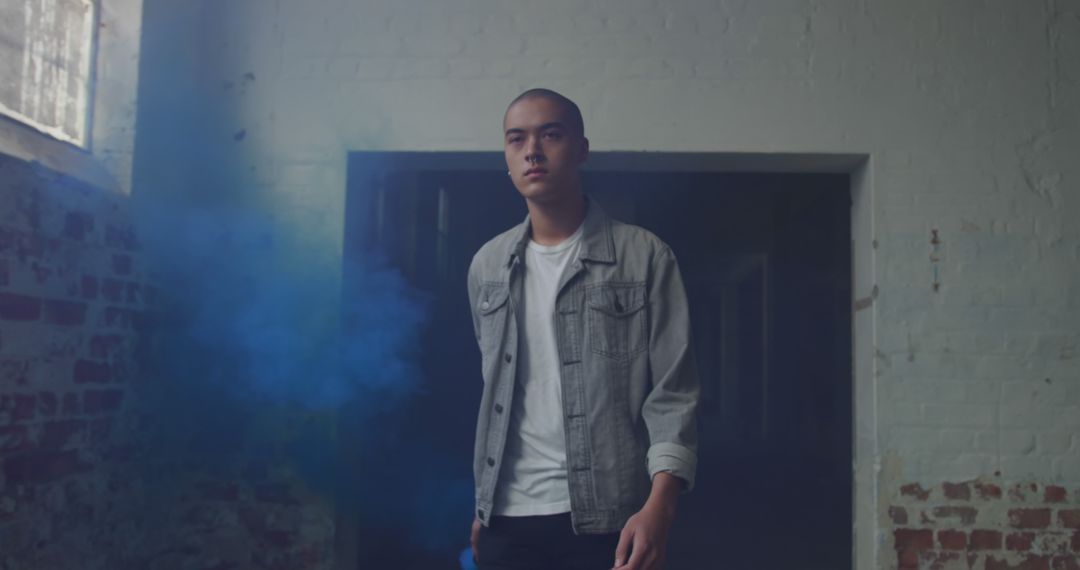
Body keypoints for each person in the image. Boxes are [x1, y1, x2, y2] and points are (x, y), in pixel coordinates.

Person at [466, 88, 700, 570]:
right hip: (505, 522)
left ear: (581, 149)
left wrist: (661, 508)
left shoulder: (644, 256)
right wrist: (483, 506)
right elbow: (497, 393)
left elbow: (673, 394)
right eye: (516, 139)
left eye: (550, 134)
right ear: (506, 157)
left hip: (609, 521)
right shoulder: (487, 266)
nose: (532, 150)